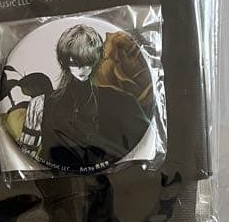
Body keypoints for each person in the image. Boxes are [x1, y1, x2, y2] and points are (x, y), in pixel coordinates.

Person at [21, 24, 150, 172]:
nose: (81, 69)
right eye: (74, 63)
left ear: (97, 60)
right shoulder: (40, 104)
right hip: (55, 179)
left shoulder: (122, 101)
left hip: (119, 176)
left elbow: (142, 143)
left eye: (87, 62)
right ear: (64, 61)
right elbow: (27, 154)